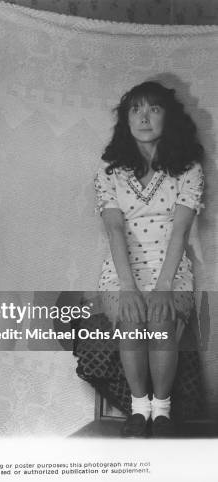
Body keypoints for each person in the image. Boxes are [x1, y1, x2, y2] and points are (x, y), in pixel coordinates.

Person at [94, 81, 204, 437]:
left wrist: (164, 286)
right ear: (126, 119)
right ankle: (139, 409)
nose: (144, 117)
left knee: (161, 318)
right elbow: (113, 230)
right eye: (136, 109)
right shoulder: (109, 170)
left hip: (170, 270)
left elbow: (181, 232)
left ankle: (162, 411)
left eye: (153, 109)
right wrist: (127, 287)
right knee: (132, 319)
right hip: (123, 271)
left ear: (167, 117)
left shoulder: (189, 168)